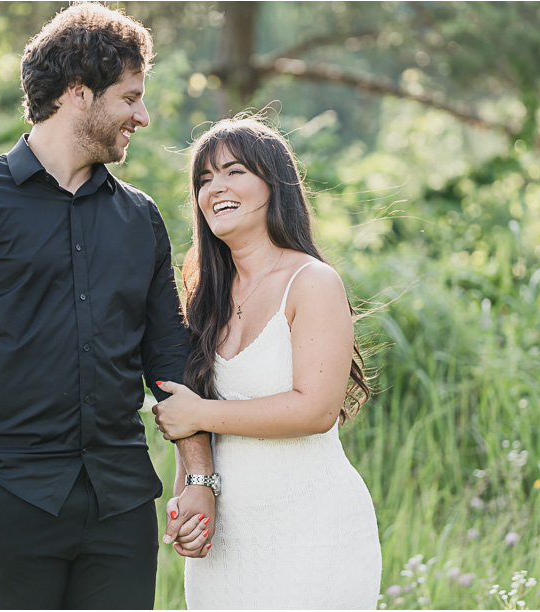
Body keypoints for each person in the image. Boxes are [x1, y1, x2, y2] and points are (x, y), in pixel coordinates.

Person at [0, 4, 215, 609]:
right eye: (130, 97)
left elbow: (169, 355)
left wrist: (199, 475)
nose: (143, 116)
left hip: (120, 504)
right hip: (6, 495)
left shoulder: (141, 219)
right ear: (79, 93)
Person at [151, 116, 382, 609]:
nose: (216, 188)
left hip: (313, 534)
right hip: (226, 543)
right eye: (204, 179)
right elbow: (192, 406)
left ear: (274, 185)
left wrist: (199, 415)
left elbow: (315, 411)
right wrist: (190, 493)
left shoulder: (312, 282)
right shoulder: (204, 293)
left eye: (233, 171)